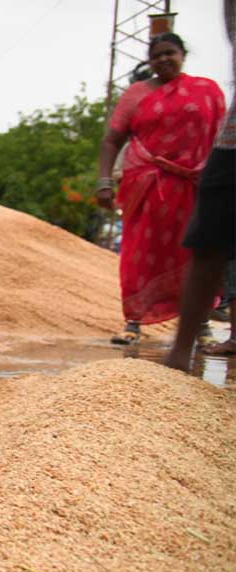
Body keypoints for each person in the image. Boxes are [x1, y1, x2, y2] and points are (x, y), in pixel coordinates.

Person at [96, 33, 227, 346]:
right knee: (139, 253)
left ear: (183, 54)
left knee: (195, 251)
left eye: (170, 53)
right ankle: (133, 323)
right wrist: (104, 181)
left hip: (195, 186)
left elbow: (222, 136)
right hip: (146, 186)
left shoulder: (207, 90)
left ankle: (201, 326)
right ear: (149, 61)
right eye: (156, 56)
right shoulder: (137, 94)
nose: (163, 60)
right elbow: (112, 139)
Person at [165, 7, 236, 369]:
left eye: (170, 53)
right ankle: (179, 354)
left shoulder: (203, 92)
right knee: (207, 241)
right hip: (232, 141)